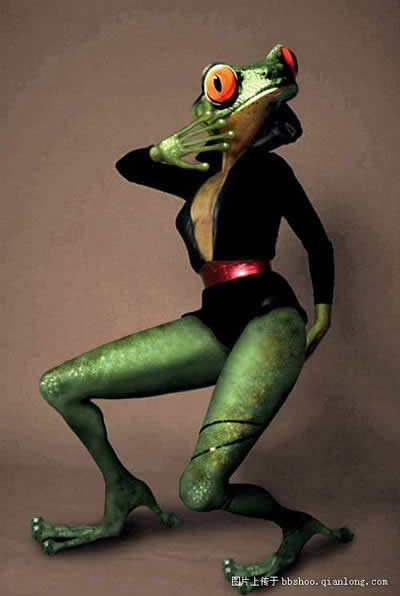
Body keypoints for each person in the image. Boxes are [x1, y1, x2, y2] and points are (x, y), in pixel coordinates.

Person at [32, 44, 352, 593]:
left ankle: (296, 525)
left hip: (270, 319)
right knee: (59, 386)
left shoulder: (271, 170)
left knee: (201, 492)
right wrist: (163, 149)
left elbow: (317, 242)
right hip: (214, 320)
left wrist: (321, 315)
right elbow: (129, 166)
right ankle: (123, 491)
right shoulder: (197, 175)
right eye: (221, 88)